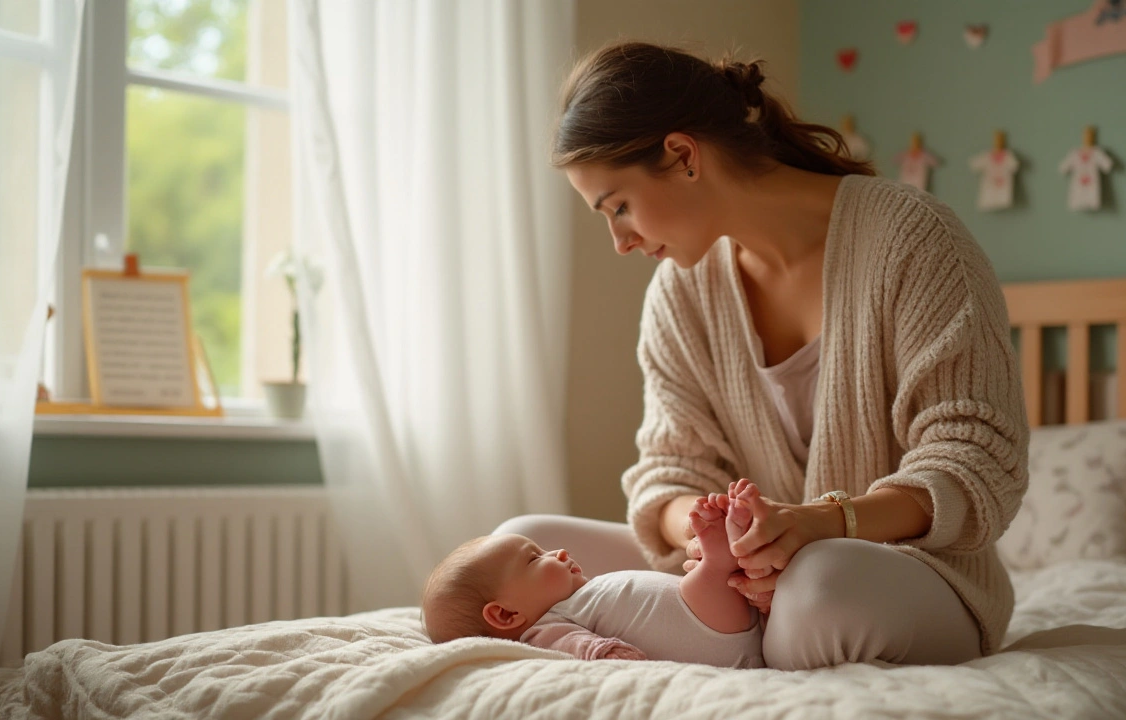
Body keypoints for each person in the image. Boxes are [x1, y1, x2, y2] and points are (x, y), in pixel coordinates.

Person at [496, 41, 1029, 670]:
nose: (620, 240)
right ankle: (731, 628)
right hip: (738, 573)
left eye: (618, 206)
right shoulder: (681, 291)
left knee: (818, 587)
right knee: (520, 546)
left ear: (682, 155)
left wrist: (816, 526)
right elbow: (671, 468)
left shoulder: (912, 240)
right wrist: (712, 535)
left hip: (902, 573)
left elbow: (974, 460)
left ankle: (736, 633)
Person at [421, 485, 765, 668]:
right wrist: (610, 656)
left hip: (718, 624)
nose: (557, 552)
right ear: (506, 614)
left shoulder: (572, 603)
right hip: (715, 637)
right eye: (534, 559)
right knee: (699, 584)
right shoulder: (546, 630)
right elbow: (582, 649)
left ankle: (725, 553)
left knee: (699, 586)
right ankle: (720, 555)